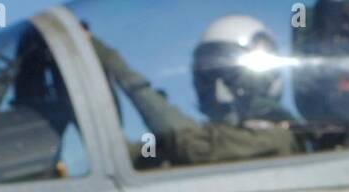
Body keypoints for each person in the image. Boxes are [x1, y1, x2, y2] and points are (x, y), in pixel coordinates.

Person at [84, 15, 304, 168]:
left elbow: (191, 143)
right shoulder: (209, 138)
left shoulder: (278, 138)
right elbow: (128, 158)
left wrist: (110, 60)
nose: (214, 87)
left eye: (226, 74)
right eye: (206, 74)